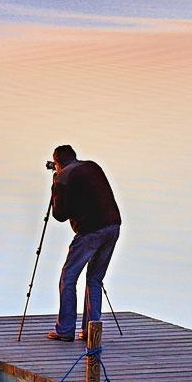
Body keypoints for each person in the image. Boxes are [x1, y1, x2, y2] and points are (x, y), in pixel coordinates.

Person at [47, 145, 121, 342]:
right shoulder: (91, 166)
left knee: (68, 278)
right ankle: (91, 331)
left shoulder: (63, 177)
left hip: (91, 231)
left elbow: (59, 215)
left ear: (58, 163)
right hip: (113, 226)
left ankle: (65, 330)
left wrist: (55, 186)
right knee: (95, 279)